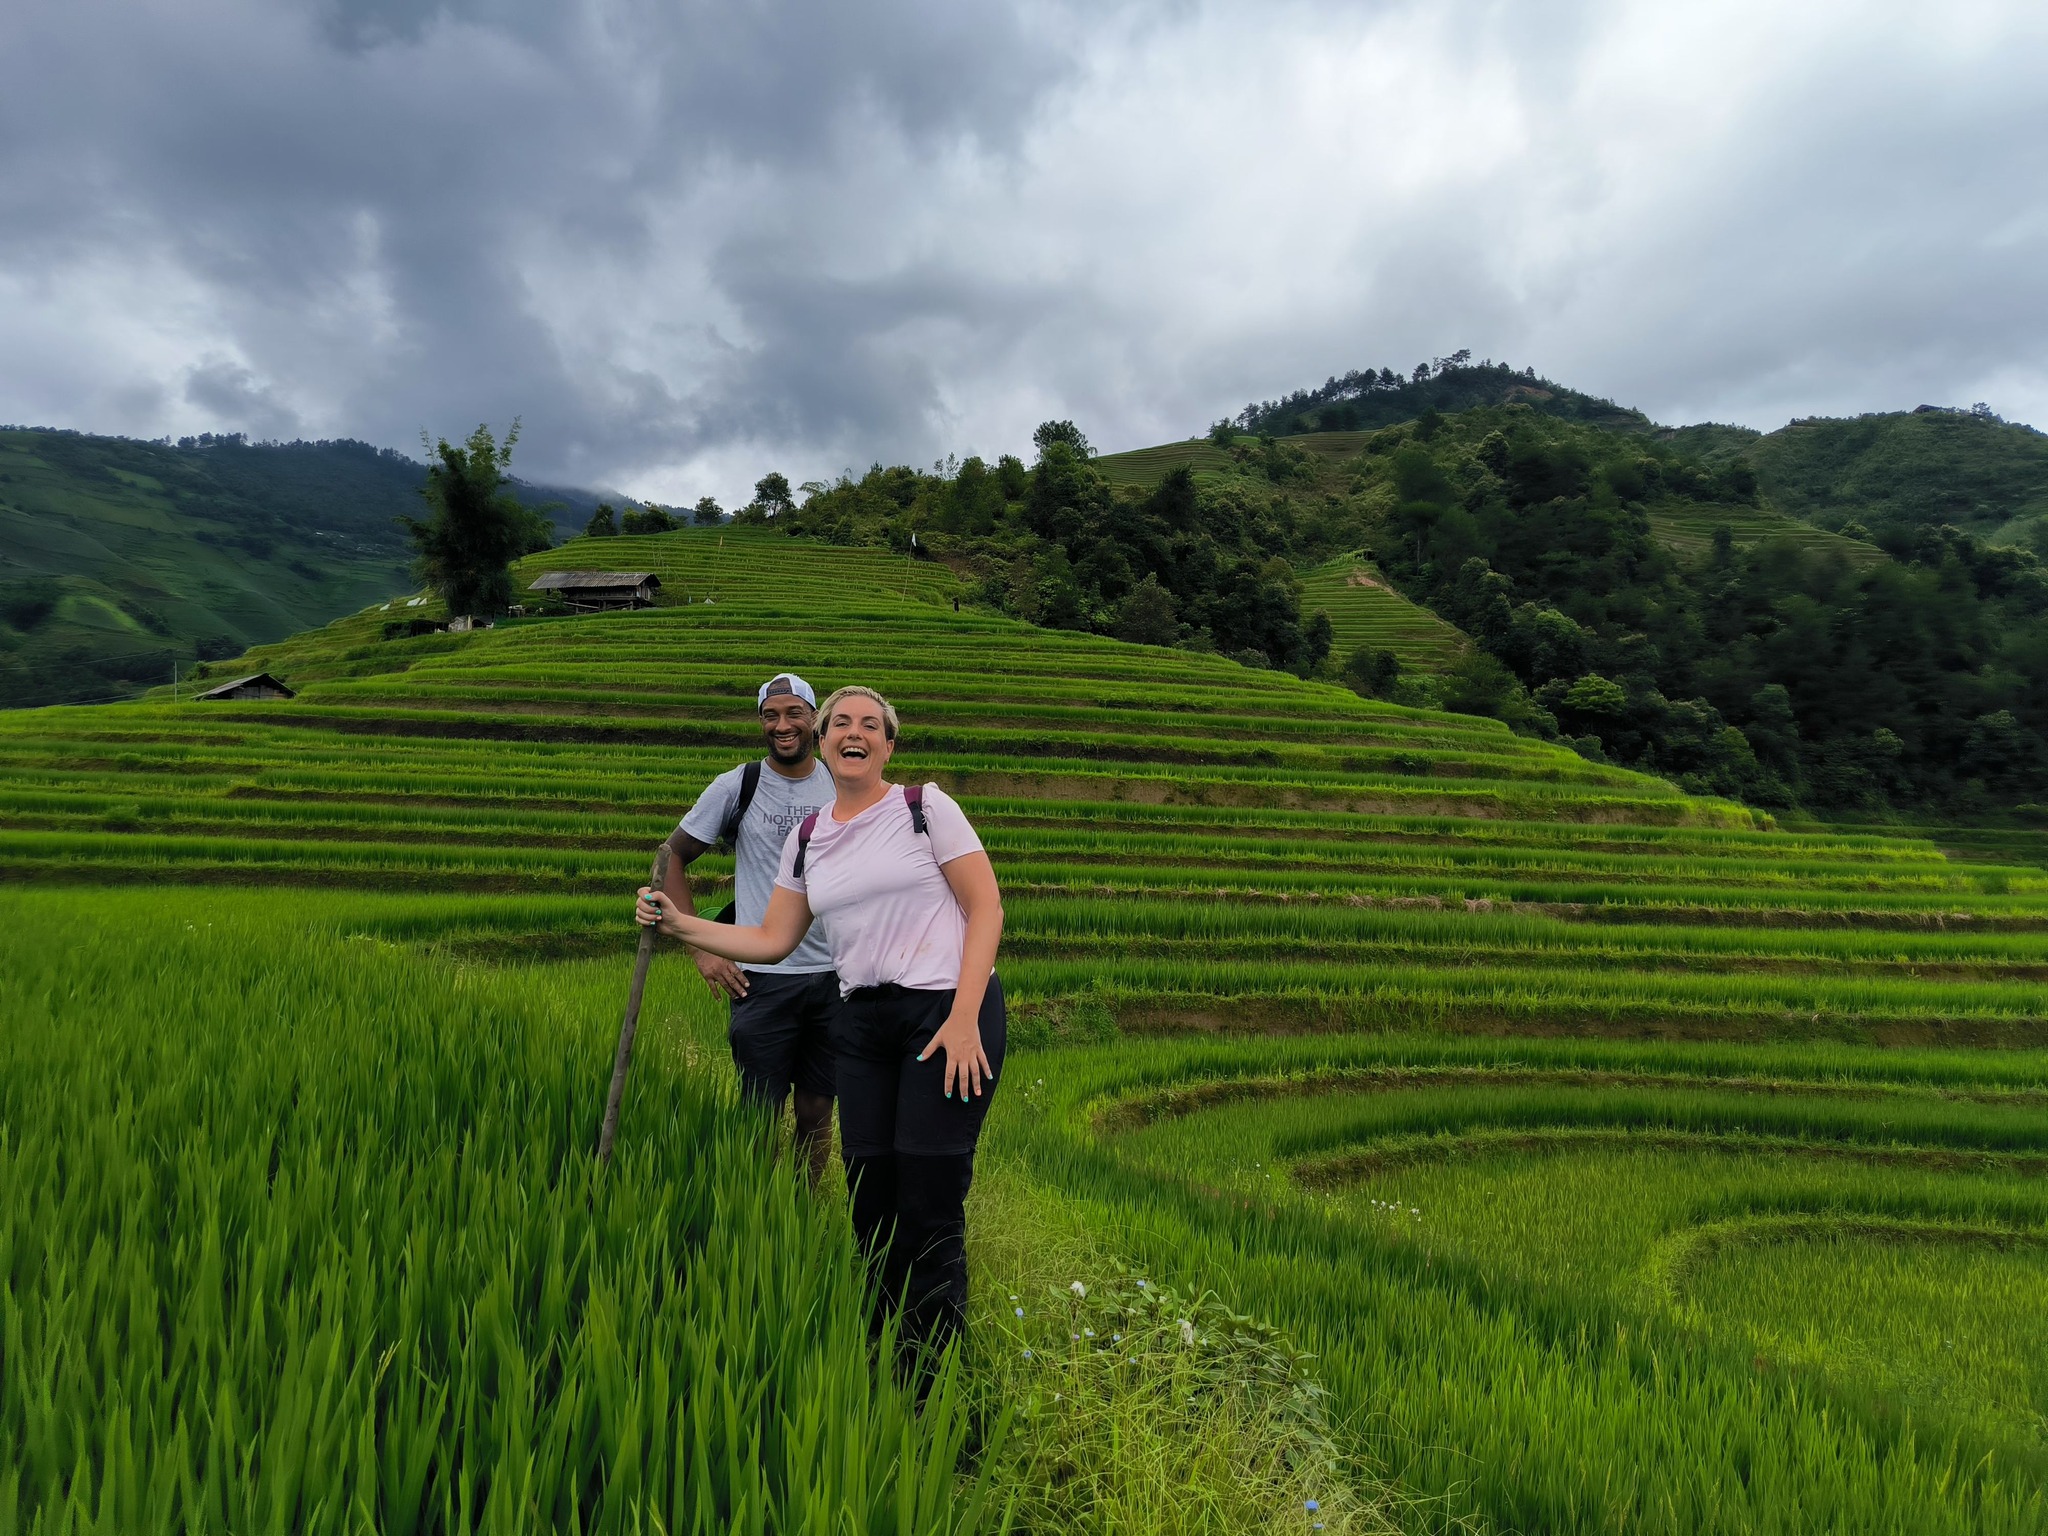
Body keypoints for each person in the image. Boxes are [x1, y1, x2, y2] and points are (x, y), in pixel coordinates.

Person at [636, 684, 1005, 1357]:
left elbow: (986, 909)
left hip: (941, 1014)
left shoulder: (925, 808)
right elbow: (773, 938)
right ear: (825, 741)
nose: (852, 732)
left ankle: (939, 1374)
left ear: (888, 744)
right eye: (841, 723)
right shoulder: (808, 838)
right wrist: (682, 925)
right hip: (860, 1020)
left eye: (869, 724)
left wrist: (962, 1018)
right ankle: (879, 1348)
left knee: (927, 1201)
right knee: (868, 1199)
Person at [660, 672, 838, 1183]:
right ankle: (755, 1206)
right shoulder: (738, 785)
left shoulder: (839, 782)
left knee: (816, 1110)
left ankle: (804, 1211)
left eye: (794, 714)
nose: (782, 726)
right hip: (761, 978)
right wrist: (702, 949)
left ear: (814, 720)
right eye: (770, 715)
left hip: (833, 976)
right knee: (759, 1111)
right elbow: (671, 856)